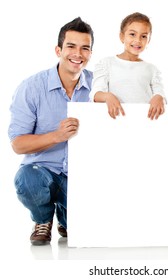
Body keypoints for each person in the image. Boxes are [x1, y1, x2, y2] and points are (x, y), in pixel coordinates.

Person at [8, 17, 94, 245]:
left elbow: (132, 108)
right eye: (71, 46)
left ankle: (66, 218)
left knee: (83, 228)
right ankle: (42, 219)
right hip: (42, 171)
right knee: (27, 179)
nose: (78, 54)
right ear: (58, 50)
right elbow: (18, 144)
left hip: (83, 176)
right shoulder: (31, 87)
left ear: (90, 53)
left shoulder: (100, 86)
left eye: (85, 48)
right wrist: (57, 136)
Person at [90, 12, 165, 120]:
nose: (138, 40)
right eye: (132, 34)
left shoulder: (151, 69)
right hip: (116, 120)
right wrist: (108, 96)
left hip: (144, 121)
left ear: (148, 40)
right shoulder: (106, 63)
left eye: (143, 36)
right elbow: (95, 94)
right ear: (122, 36)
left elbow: (160, 93)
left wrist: (159, 97)